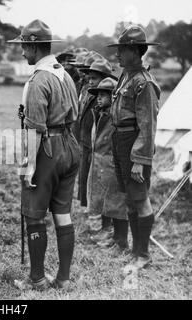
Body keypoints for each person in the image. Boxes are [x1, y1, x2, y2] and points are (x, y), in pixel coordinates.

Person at [8, 20, 80, 291]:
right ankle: (63, 279)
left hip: (47, 148)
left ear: (34, 46)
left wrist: (29, 166)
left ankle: (36, 279)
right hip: (70, 146)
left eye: (24, 47)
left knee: (35, 215)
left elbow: (35, 129)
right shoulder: (65, 74)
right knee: (63, 214)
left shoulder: (38, 80)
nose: (22, 53)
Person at [107, 25, 160, 270]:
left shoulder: (143, 83)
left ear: (136, 51)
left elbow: (147, 125)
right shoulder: (125, 76)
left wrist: (140, 159)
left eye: (123, 49)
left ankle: (143, 254)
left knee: (140, 198)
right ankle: (135, 250)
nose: (118, 54)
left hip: (134, 144)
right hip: (120, 141)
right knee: (129, 197)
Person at [86, 78, 129, 252]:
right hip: (100, 163)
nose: (99, 98)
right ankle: (112, 237)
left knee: (117, 205)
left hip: (112, 164)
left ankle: (122, 242)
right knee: (105, 203)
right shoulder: (100, 113)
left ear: (114, 96)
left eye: (104, 95)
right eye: (98, 95)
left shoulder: (116, 116)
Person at [77, 59, 117, 234]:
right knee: (89, 181)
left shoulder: (109, 107)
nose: (90, 81)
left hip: (104, 154)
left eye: (94, 78)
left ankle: (106, 225)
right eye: (89, 78)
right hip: (89, 144)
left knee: (105, 189)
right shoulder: (92, 96)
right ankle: (96, 219)